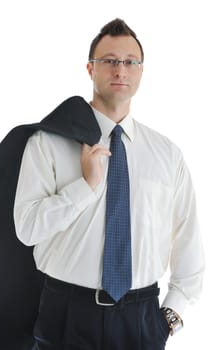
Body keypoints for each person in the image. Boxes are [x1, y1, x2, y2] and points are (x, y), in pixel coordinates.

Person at [13, 18, 205, 350]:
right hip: (65, 313)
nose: (121, 70)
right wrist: (85, 187)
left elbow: (187, 239)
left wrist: (171, 316)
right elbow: (27, 229)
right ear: (90, 69)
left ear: (141, 72)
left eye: (131, 62)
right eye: (110, 61)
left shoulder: (166, 155)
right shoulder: (48, 143)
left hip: (142, 320)